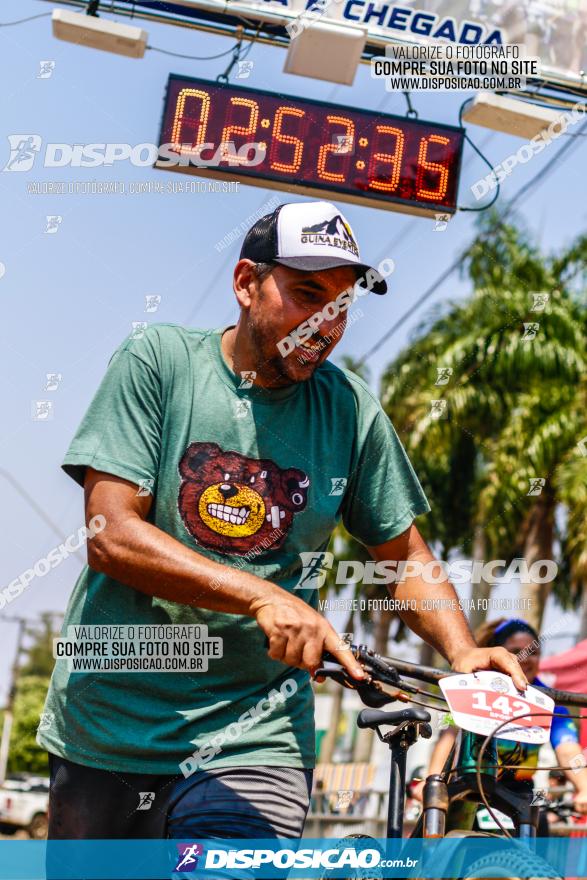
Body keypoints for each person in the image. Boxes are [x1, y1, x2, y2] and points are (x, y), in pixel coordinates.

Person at [38, 200, 526, 842]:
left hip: (254, 740)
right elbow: (111, 534)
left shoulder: (350, 411)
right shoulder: (158, 362)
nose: (328, 322)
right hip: (107, 727)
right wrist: (263, 595)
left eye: (343, 304)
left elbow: (404, 558)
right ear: (245, 283)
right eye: (307, 294)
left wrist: (461, 651)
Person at [412, 617, 587, 826]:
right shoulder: (477, 687)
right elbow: (449, 736)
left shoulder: (549, 702)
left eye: (534, 652)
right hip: (472, 787)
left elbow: (568, 750)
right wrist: (433, 782)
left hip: (524, 792)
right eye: (516, 651)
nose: (527, 659)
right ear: (500, 654)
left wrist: (584, 785)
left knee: (541, 817)